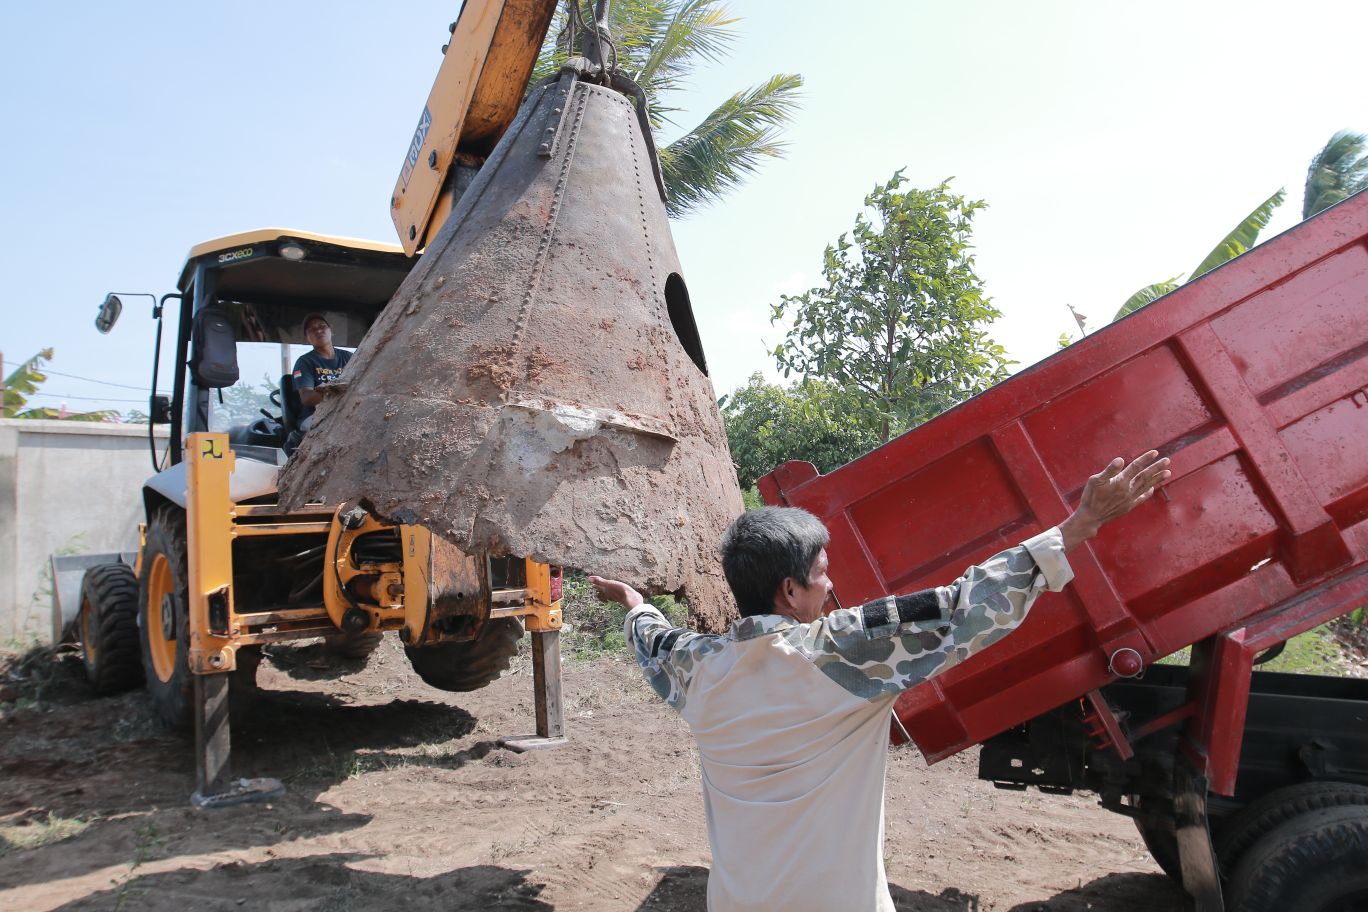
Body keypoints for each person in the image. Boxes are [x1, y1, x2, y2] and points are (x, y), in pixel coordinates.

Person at [590, 451, 1171, 912]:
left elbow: (653, 639)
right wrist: (1081, 525)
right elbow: (963, 607)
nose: (830, 585)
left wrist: (635, 603)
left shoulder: (697, 667)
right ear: (789, 591)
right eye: (820, 573)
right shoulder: (840, 654)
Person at [290, 312, 351, 434]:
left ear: (331, 330)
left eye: (322, 326)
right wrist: (334, 391)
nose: (318, 331)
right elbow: (307, 398)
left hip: (347, 409)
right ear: (306, 338)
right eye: (312, 329)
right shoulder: (304, 362)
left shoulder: (349, 357)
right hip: (313, 416)